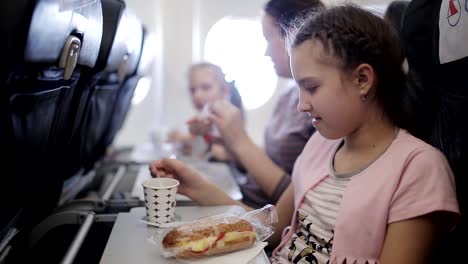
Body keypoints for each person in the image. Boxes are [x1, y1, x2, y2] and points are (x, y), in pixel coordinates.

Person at [150, 5, 460, 263]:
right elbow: (272, 225)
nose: (301, 104)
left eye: (311, 87)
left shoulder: (419, 169)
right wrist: (199, 188)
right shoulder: (321, 145)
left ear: (362, 79)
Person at [187, 0, 322, 208]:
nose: (266, 52)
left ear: (294, 35)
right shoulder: (286, 97)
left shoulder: (319, 107)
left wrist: (240, 140)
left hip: (265, 210)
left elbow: (300, 200)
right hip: (248, 194)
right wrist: (225, 139)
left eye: (268, 38)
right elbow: (265, 163)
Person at [168, 62, 243, 161]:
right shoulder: (203, 117)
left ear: (225, 90)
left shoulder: (229, 117)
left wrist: (217, 151)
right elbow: (201, 140)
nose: (197, 95)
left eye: (206, 87)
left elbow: (239, 155)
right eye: (192, 90)